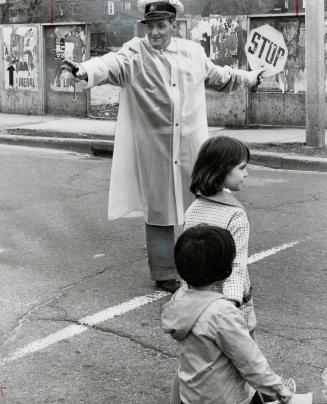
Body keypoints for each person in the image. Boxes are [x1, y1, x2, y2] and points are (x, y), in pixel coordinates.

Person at [60, 0, 264, 293]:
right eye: (150, 26)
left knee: (204, 203)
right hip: (154, 147)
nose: (154, 32)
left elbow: (219, 76)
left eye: (161, 25)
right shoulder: (134, 52)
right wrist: (84, 70)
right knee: (159, 210)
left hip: (191, 145)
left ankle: (208, 265)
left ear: (173, 24)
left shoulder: (192, 53)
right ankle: (164, 271)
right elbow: (109, 63)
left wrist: (248, 78)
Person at [161, 224, 294, 404]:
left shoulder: (179, 299)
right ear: (225, 270)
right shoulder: (222, 314)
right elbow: (250, 362)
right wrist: (278, 389)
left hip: (192, 396)